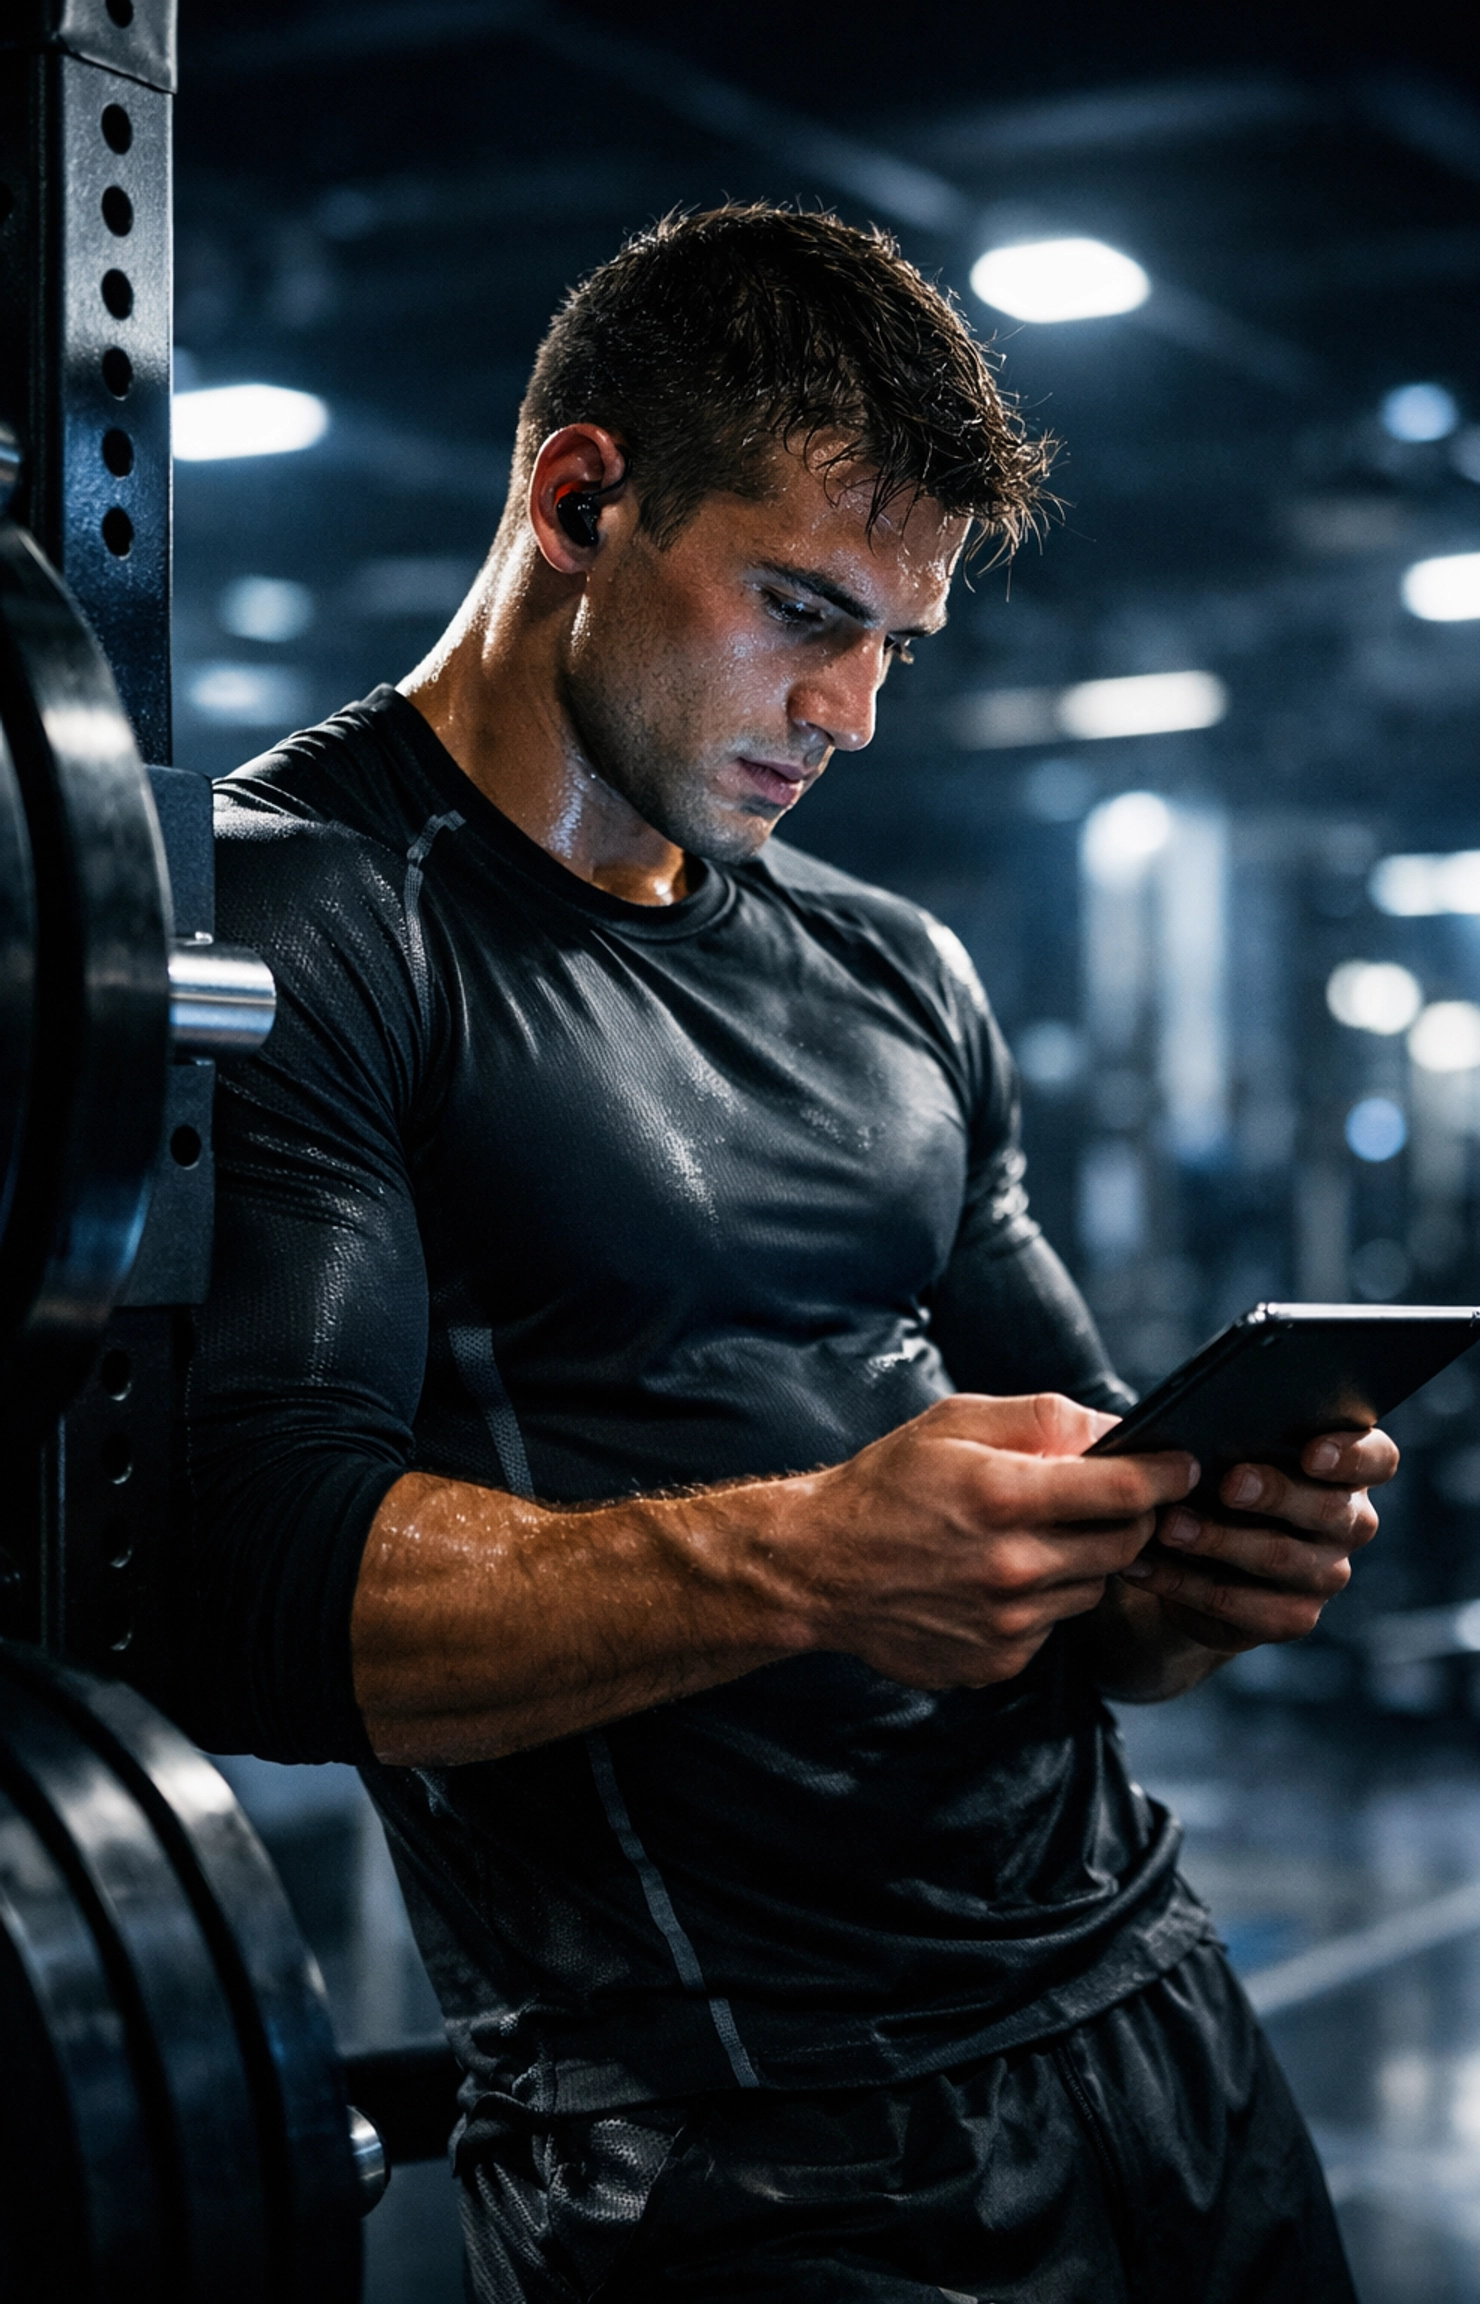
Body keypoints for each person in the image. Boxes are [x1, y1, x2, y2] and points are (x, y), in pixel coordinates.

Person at [185, 206, 1394, 2301]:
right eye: (801, 611)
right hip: (736, 2159)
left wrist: (1201, 1575)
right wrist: (813, 1555)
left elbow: (1089, 1588)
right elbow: (259, 1593)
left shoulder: (896, 969)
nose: (849, 710)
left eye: (895, 647)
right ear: (582, 496)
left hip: (1159, 2029)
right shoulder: (310, 925)